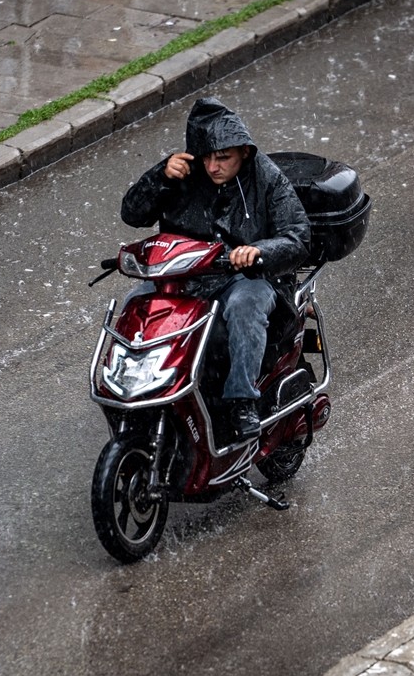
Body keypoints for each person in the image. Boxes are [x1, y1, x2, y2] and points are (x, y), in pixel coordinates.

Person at [120, 97, 311, 441]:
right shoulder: (182, 172)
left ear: (244, 153)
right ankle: (130, 386)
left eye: (223, 158)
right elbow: (132, 214)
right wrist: (158, 176)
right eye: (206, 157)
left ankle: (241, 400)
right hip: (186, 278)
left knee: (244, 306)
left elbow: (298, 237)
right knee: (137, 304)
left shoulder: (267, 177)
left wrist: (259, 251)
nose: (213, 167)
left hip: (246, 279)